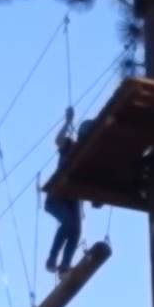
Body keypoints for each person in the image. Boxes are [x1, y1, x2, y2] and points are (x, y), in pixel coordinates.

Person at [44, 108, 95, 275]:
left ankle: (65, 265)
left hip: (71, 199)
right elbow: (58, 140)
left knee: (76, 230)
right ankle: (52, 260)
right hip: (57, 195)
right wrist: (67, 122)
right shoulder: (70, 146)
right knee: (68, 224)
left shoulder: (89, 159)